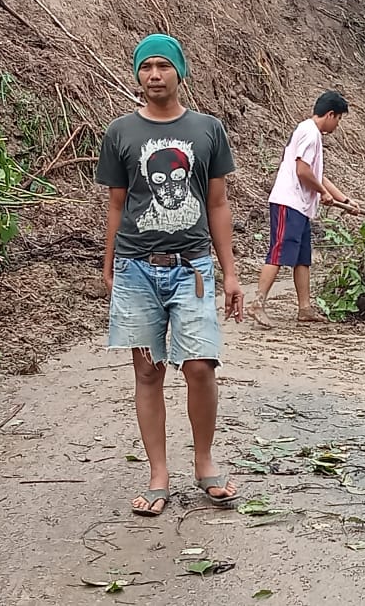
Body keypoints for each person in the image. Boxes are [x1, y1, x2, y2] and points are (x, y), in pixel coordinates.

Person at [96, 33, 243, 518]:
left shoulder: (208, 130)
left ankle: (204, 463)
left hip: (193, 269)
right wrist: (110, 262)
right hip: (136, 267)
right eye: (146, 67)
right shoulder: (120, 132)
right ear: (137, 75)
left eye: (163, 66)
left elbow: (218, 203)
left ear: (180, 72)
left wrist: (231, 273)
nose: (154, 75)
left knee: (200, 366)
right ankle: (159, 474)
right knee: (147, 370)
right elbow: (117, 204)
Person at [247, 92, 354, 328]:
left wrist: (343, 199)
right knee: (278, 251)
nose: (337, 125)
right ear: (330, 114)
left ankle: (304, 308)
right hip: (289, 202)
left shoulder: (310, 133)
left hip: (301, 206)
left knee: (302, 258)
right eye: (339, 120)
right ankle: (257, 303)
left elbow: (317, 174)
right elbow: (303, 171)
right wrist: (322, 193)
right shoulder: (309, 132)